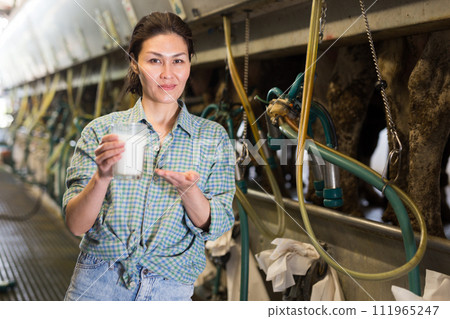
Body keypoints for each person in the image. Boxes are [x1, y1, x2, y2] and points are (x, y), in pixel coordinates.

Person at [63, 12, 235, 301]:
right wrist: (102, 177)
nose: (168, 73)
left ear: (190, 63)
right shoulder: (103, 131)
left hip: (170, 291)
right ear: (134, 63)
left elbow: (217, 226)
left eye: (178, 60)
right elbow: (76, 225)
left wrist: (190, 192)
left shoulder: (212, 138)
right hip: (98, 284)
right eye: (155, 60)